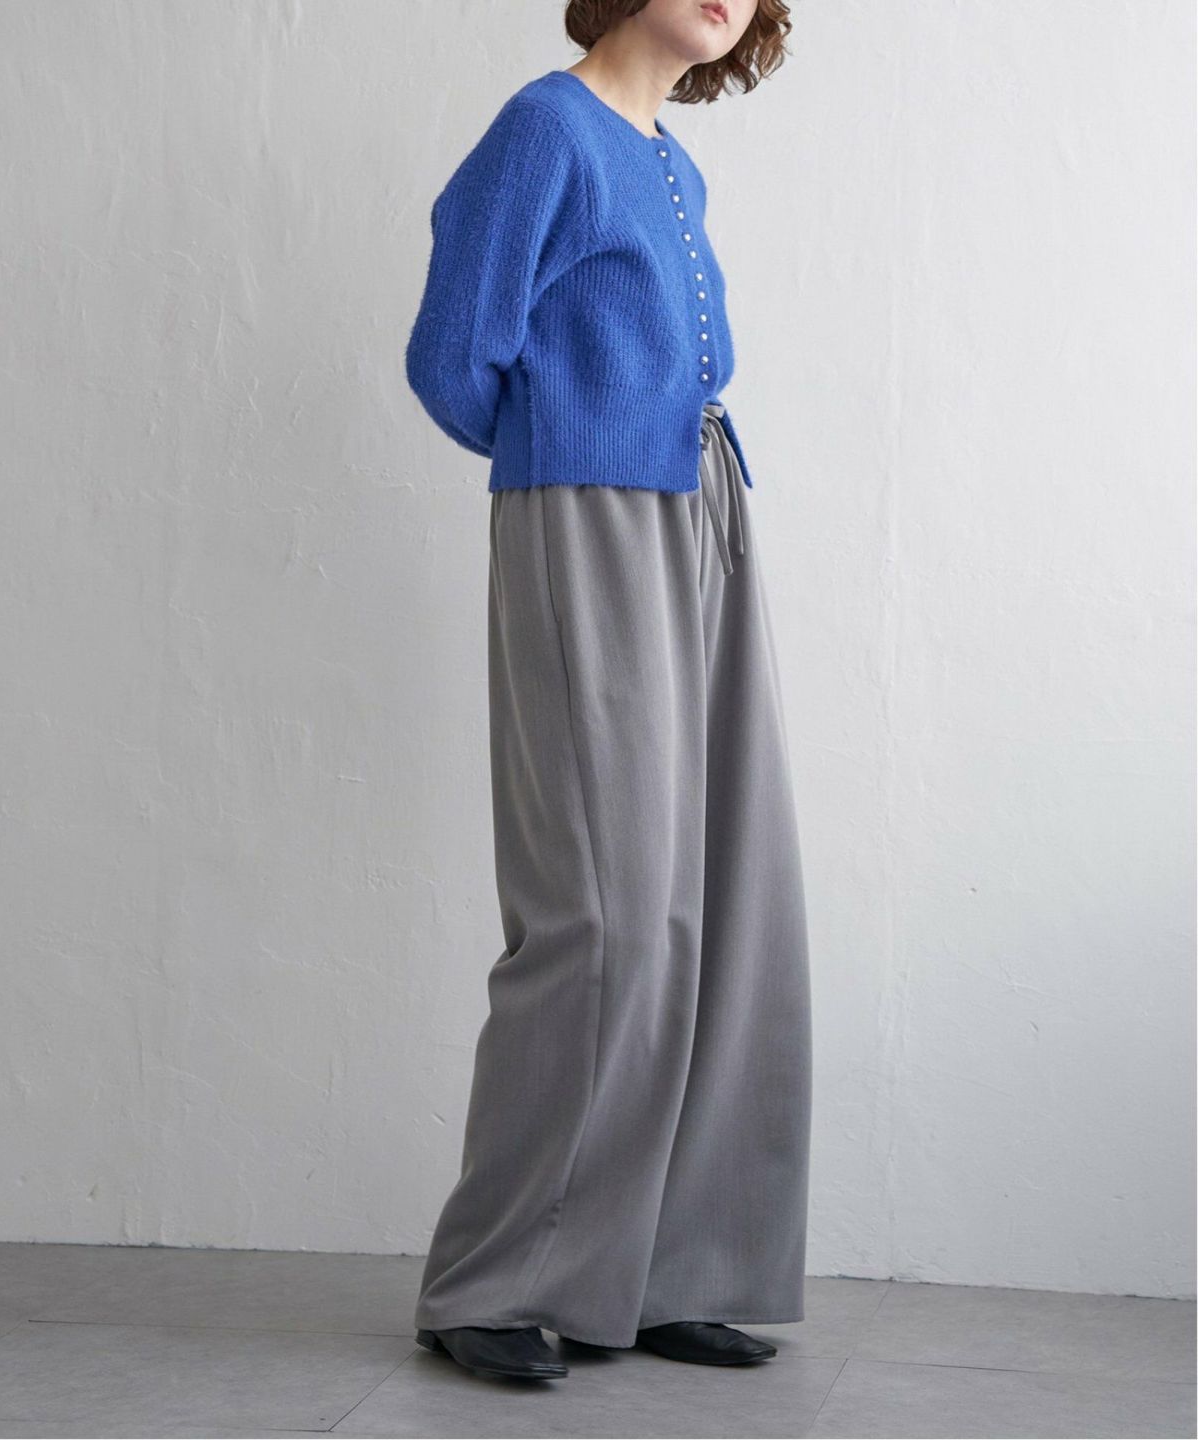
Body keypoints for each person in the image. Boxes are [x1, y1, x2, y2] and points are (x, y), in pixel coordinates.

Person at [404, 0, 811, 1383]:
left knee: (725, 899)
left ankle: (665, 1269)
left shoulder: (671, 163)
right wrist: (560, 459)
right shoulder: (546, 129)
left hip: (704, 511)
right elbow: (451, 354)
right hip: (588, 509)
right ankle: (496, 1279)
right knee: (606, 909)